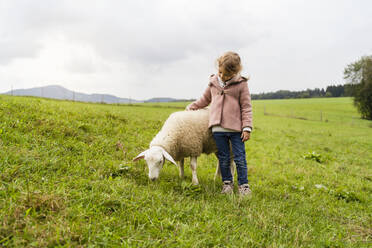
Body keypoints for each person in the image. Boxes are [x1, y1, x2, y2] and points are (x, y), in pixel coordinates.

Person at [186, 51, 253, 196]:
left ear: (236, 72)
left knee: (239, 157)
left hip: (236, 130)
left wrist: (247, 127)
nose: (222, 76)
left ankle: (244, 186)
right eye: (220, 72)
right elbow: (204, 100)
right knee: (223, 158)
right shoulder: (213, 82)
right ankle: (227, 184)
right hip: (218, 129)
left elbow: (246, 107)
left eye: (227, 74)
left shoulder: (241, 84)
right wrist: (192, 107)